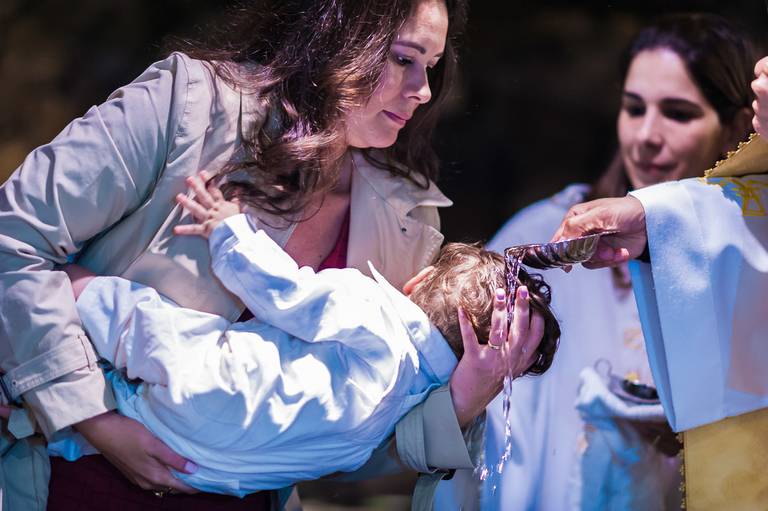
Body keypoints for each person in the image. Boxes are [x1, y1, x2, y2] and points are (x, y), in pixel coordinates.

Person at [0, 1, 546, 509]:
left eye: (431, 66)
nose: (423, 90)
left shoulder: (406, 215)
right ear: (336, 35)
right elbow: (13, 238)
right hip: (67, 487)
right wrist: (93, 418)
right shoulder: (188, 106)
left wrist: (459, 403)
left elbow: (340, 442)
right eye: (404, 59)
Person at [46, 174, 557, 496]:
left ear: (418, 280)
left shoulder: (378, 315)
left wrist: (228, 230)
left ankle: (55, 288)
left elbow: (285, 292)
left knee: (125, 315)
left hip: (209, 381)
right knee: (94, 426)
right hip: (204, 470)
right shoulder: (408, 407)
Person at [435, 13, 755, 511]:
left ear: (736, 126)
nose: (646, 135)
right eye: (634, 108)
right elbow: (459, 407)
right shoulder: (546, 235)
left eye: (678, 113)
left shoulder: (749, 253)